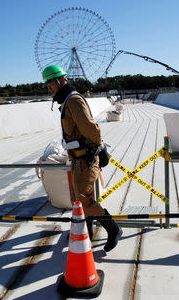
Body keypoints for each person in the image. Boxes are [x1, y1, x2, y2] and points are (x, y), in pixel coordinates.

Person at [41, 65, 122, 252]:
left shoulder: (74, 100)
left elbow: (90, 128)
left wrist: (99, 149)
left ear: (61, 81)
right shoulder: (66, 101)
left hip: (86, 159)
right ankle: (84, 227)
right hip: (78, 159)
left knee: (84, 199)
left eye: (51, 83)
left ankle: (114, 229)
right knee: (78, 198)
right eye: (47, 85)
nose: (49, 88)